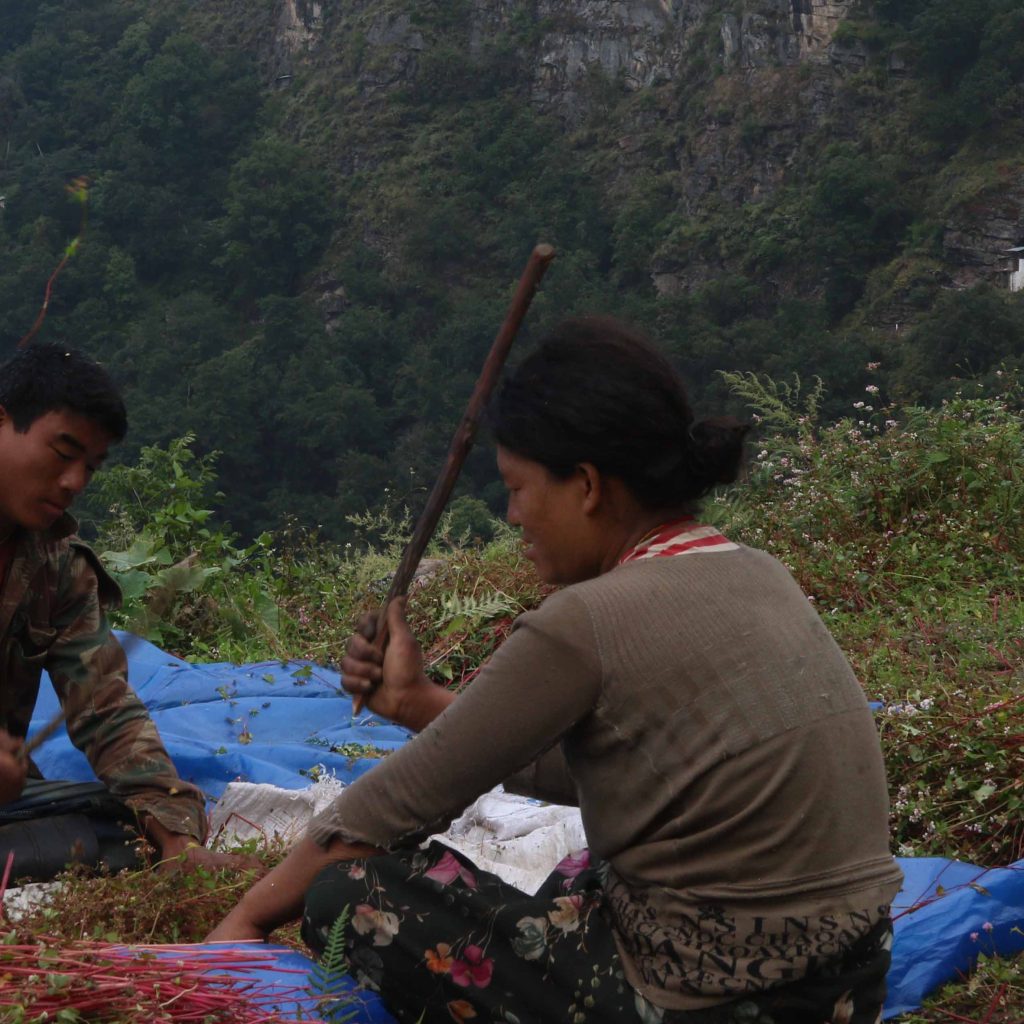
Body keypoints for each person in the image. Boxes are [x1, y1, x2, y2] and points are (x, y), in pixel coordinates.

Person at [208, 317, 903, 1024]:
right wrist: (415, 701)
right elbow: (645, 771)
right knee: (579, 875)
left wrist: (241, 923)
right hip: (846, 983)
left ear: (589, 486)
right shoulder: (759, 572)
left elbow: (395, 805)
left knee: (349, 895)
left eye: (518, 489)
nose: (512, 516)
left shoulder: (585, 620)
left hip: (696, 998)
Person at [0, 343, 256, 880]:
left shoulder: (57, 569)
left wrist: (177, 842)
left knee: (127, 836)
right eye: (62, 452)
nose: (74, 483)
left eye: (89, 466)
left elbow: (106, 711)